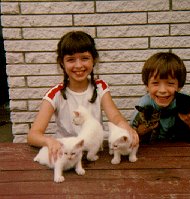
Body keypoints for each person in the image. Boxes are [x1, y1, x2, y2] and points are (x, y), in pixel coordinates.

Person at [27, 31, 139, 160]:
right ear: (62, 63)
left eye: (85, 58)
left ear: (94, 60)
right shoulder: (55, 94)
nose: (79, 65)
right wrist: (49, 141)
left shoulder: (100, 87)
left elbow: (115, 116)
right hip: (67, 154)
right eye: (71, 59)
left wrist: (125, 127)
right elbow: (33, 135)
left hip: (95, 153)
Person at [130, 52, 190, 143]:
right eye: (155, 83)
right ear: (147, 86)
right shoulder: (144, 106)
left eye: (170, 83)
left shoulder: (185, 102)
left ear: (179, 86)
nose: (163, 90)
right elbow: (131, 133)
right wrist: (140, 131)